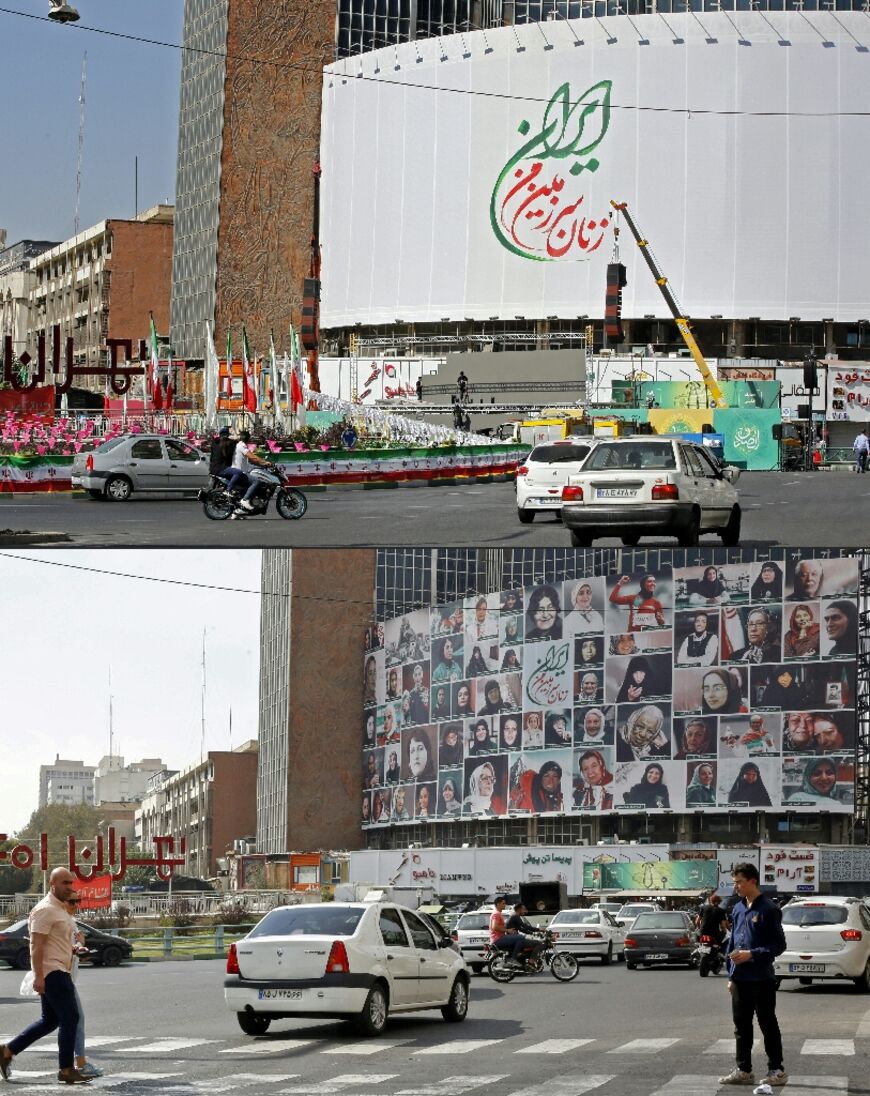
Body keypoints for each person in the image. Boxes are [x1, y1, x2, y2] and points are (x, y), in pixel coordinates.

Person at [0, 868, 91, 1085]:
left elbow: (57, 943)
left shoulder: (61, 911)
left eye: (71, 883)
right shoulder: (45, 910)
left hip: (61, 969)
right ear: (52, 884)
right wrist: (39, 976)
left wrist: (74, 949)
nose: (69, 887)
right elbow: (36, 945)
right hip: (53, 972)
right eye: (65, 883)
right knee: (71, 1018)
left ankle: (7, 1051)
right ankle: (66, 1069)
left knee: (50, 1021)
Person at [719, 862, 787, 1088]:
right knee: (741, 1027)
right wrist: (730, 976)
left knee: (767, 1024)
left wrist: (752, 954)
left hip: (762, 978)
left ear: (752, 881)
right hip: (740, 980)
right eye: (734, 882)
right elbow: (732, 944)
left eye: (739, 882)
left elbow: (778, 945)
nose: (735, 886)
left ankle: (776, 1070)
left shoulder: (768, 909)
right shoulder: (738, 908)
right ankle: (743, 1069)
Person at [64, 895, 103, 1080]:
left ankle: (8, 1051)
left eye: (77, 901)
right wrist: (80, 944)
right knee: (76, 1020)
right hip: (60, 979)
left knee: (50, 1022)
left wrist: (80, 946)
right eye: (72, 901)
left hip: (65, 978)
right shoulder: (61, 921)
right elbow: (69, 948)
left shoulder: (70, 921)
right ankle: (79, 1064)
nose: (76, 905)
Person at [232, 429, 273, 513]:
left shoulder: (238, 445)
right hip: (239, 473)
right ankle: (245, 500)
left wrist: (261, 464)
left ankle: (237, 512)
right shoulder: (242, 445)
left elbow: (251, 460)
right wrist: (265, 462)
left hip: (238, 471)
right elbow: (252, 457)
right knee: (256, 481)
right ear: (247, 438)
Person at [209, 425, 245, 493]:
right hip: (221, 468)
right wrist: (234, 432)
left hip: (212, 468)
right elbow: (239, 439)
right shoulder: (230, 443)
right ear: (227, 435)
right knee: (238, 473)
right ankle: (228, 490)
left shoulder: (214, 442)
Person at [488, 895, 524, 963]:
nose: (505, 905)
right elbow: (494, 926)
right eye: (503, 903)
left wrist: (510, 932)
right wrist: (507, 930)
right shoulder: (496, 914)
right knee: (521, 938)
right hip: (498, 939)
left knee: (515, 938)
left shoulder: (498, 913)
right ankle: (513, 959)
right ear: (498, 904)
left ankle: (510, 958)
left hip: (499, 937)